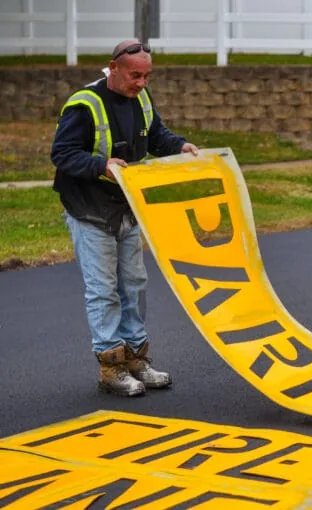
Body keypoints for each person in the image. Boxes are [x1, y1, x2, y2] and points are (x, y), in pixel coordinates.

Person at [51, 39, 199, 397]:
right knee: (104, 291)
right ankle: (111, 367)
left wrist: (179, 146)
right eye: (136, 76)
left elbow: (155, 135)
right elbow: (62, 153)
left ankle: (136, 360)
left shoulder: (141, 99)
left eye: (147, 76)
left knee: (134, 285)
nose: (142, 83)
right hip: (89, 209)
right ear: (114, 68)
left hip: (126, 208)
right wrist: (101, 165)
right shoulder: (84, 104)